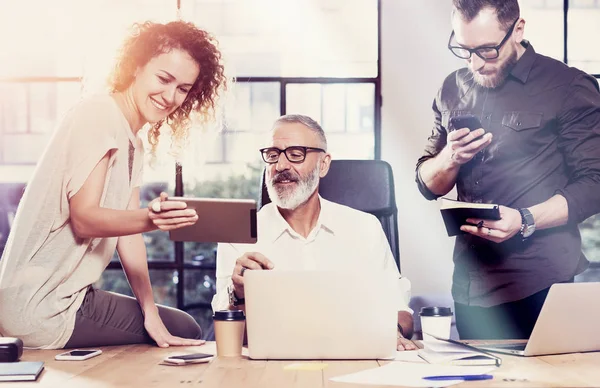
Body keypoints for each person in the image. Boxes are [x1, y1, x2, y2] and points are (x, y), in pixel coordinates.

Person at [0, 21, 226, 349]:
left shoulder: (132, 139)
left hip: (64, 299)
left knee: (173, 326)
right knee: (187, 328)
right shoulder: (98, 113)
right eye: (163, 79)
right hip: (40, 308)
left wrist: (150, 313)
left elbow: (128, 235)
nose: (170, 96)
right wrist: (153, 218)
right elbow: (85, 218)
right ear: (135, 66)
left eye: (183, 89)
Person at [415, 0, 600, 339]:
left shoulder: (569, 87)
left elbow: (595, 184)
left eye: (486, 50)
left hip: (540, 282)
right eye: (464, 49)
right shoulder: (451, 88)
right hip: (469, 284)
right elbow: (427, 183)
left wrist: (526, 219)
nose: (475, 63)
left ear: (518, 30)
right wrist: (451, 157)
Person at [212, 115, 416, 350]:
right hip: (270, 370)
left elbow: (400, 312)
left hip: (353, 360)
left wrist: (392, 332)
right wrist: (238, 294)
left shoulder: (365, 228)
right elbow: (232, 338)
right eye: (272, 155)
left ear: (323, 164)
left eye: (296, 154)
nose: (280, 166)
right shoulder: (240, 235)